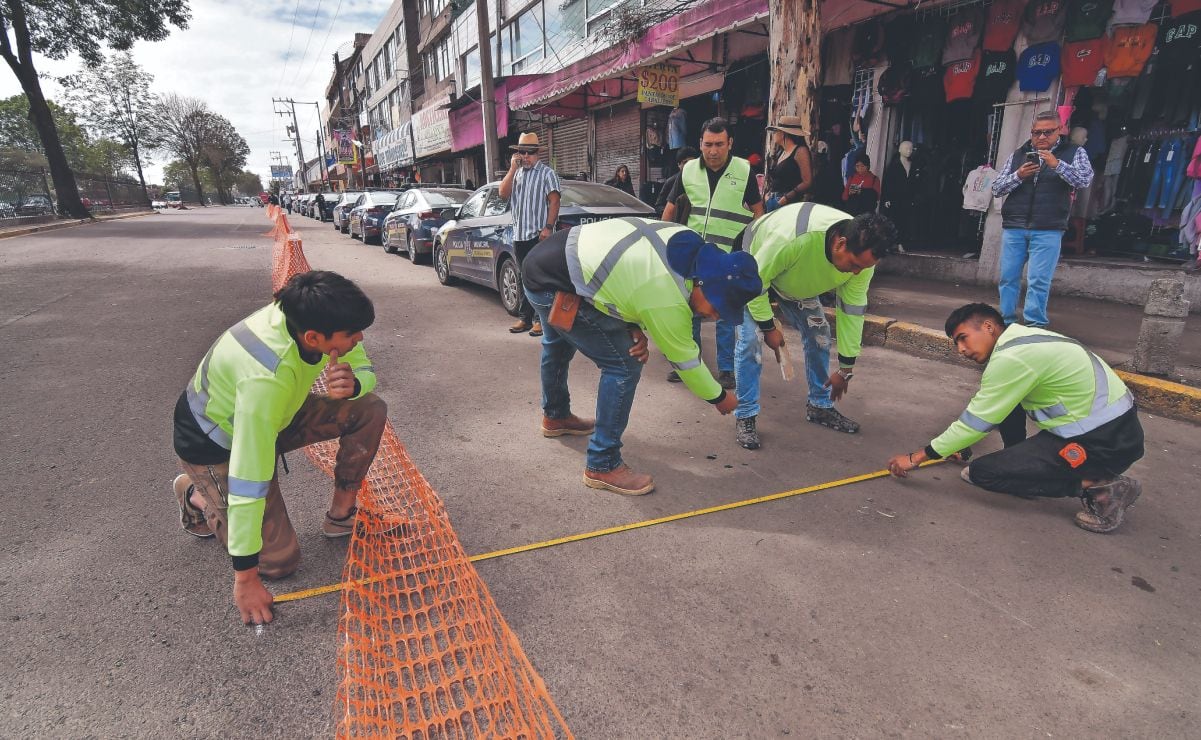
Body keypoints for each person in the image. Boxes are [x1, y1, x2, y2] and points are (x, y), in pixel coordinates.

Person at [170, 271, 387, 625]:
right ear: (314, 337)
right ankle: (197, 493)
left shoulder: (316, 315)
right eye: (351, 335)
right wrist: (245, 579)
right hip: (217, 444)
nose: (359, 339)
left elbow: (361, 360)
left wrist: (357, 382)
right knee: (278, 563)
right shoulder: (265, 380)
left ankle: (340, 516)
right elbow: (248, 478)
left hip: (279, 415)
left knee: (369, 408)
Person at [521, 219, 761, 495]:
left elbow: (626, 280)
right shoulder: (667, 296)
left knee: (557, 345)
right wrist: (719, 397)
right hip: (553, 282)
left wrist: (633, 324)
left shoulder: (687, 246)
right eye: (719, 307)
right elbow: (685, 361)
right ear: (704, 284)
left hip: (548, 258)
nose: (715, 316)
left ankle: (556, 416)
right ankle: (602, 463)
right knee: (624, 364)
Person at [886, 303, 1144, 533]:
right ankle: (1024, 463)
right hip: (1115, 430)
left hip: (1100, 442)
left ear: (988, 327)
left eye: (963, 338)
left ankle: (1101, 486)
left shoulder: (1011, 357)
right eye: (956, 344)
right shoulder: (1024, 339)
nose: (961, 349)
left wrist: (916, 458)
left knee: (980, 473)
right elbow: (999, 409)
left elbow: (976, 421)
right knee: (1009, 407)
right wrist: (960, 447)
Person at [734, 204, 898, 449]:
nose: (855, 273)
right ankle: (745, 414)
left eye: (862, 268)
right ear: (840, 244)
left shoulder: (863, 260)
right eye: (853, 265)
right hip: (754, 268)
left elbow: (851, 311)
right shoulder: (791, 239)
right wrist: (769, 328)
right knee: (749, 342)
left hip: (797, 280)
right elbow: (755, 284)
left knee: (820, 335)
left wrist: (845, 369)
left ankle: (820, 406)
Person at [661, 118, 766, 389]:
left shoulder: (744, 171)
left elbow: (758, 210)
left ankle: (727, 369)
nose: (713, 151)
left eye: (719, 144)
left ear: (730, 143)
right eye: (708, 144)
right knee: (690, 312)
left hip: (726, 255)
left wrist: (753, 245)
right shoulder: (689, 172)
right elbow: (670, 209)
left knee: (724, 314)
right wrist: (663, 244)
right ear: (700, 144)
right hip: (692, 255)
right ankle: (689, 363)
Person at [991, 110, 1094, 328]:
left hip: (1048, 226)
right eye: (1036, 132)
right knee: (1008, 278)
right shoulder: (1020, 154)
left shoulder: (1074, 152)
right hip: (1015, 224)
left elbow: (1084, 180)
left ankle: (1034, 325)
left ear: (1060, 130)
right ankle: (1006, 321)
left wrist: (1057, 165)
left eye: (1048, 132)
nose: (1041, 137)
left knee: (1038, 280)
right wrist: (1019, 175)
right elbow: (997, 188)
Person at [499, 132, 562, 338]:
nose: (526, 156)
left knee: (538, 279)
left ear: (537, 154)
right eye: (522, 152)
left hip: (538, 234)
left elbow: (554, 202)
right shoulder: (516, 173)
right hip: (519, 234)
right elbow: (502, 193)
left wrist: (548, 227)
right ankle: (525, 318)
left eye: (530, 153)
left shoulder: (546, 173)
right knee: (524, 277)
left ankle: (539, 320)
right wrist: (511, 168)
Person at [763, 116, 814, 212]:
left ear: (783, 134)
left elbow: (807, 181)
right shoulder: (781, 152)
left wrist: (786, 198)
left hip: (787, 202)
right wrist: (768, 195)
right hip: (772, 199)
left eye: (776, 131)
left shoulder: (800, 151)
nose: (773, 134)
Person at [655, 147, 699, 218]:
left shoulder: (701, 179)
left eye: (692, 162)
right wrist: (672, 213)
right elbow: (659, 205)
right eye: (685, 162)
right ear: (679, 164)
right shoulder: (671, 182)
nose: (689, 166)